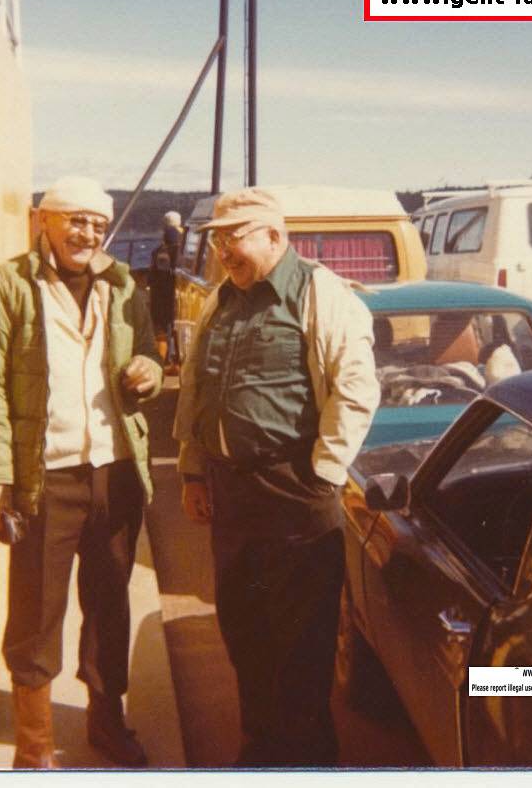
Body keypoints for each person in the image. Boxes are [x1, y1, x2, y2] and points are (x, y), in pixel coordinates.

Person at [173, 187, 379, 767]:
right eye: (217, 239)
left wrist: (323, 472)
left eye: (233, 237)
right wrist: (193, 470)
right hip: (232, 494)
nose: (223, 251)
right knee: (244, 631)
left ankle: (307, 762)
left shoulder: (321, 294)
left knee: (301, 647)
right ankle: (261, 750)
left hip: (295, 492)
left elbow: (357, 388)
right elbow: (195, 388)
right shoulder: (220, 301)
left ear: (274, 236)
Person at [0, 175, 162, 769]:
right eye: (76, 220)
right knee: (36, 612)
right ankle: (33, 749)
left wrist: (149, 372)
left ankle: (107, 722)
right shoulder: (6, 286)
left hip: (115, 470)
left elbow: (150, 354)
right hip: (46, 476)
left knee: (109, 605)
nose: (87, 234)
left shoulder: (123, 286)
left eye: (98, 224)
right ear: (43, 221)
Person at [147, 210, 182, 371]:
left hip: (162, 295)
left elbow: (157, 276)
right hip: (176, 293)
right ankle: (175, 362)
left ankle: (161, 364)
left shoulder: (160, 251)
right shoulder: (183, 244)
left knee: (161, 329)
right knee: (175, 327)